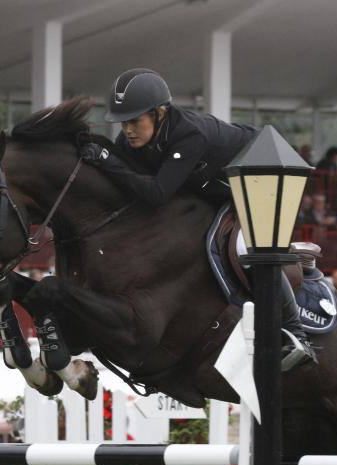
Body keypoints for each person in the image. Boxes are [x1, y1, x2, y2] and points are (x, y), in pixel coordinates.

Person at [79, 68, 315, 363]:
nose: (128, 130)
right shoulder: (135, 140)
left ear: (160, 112)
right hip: (216, 187)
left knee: (247, 247)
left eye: (135, 121)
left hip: (260, 174)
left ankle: (296, 335)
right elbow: (124, 177)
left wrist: (106, 160)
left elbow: (156, 194)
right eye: (124, 123)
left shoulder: (189, 134)